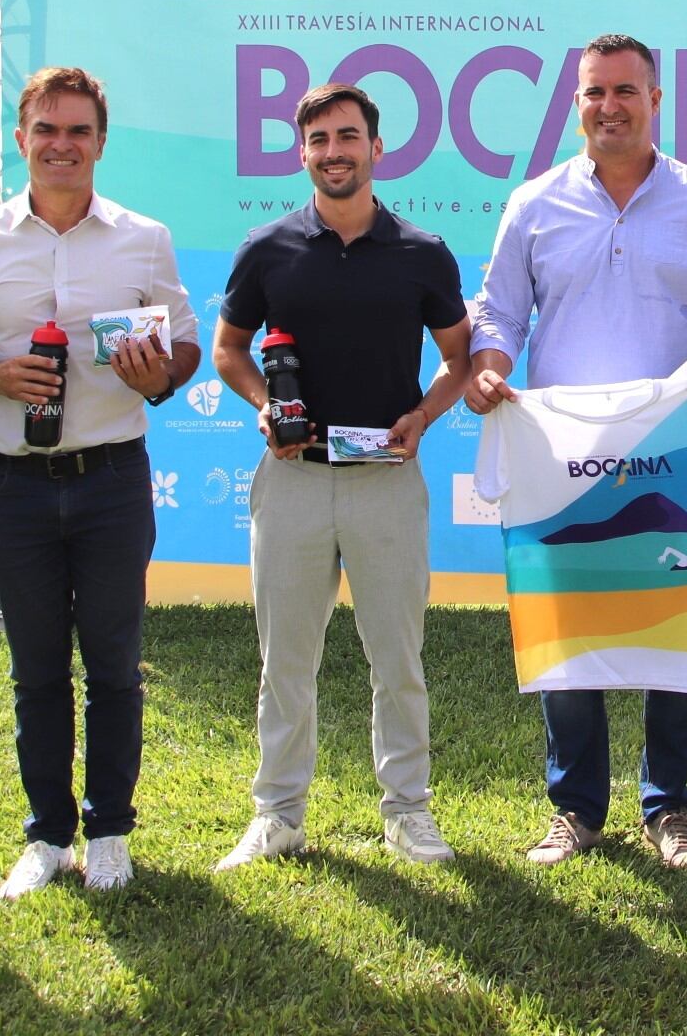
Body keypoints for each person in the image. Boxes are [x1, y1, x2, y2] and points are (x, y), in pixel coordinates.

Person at [465, 33, 687, 868]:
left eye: (626, 92)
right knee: (569, 635)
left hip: (671, 455)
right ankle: (576, 811)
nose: (610, 106)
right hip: (561, 461)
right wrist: (490, 369)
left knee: (676, 630)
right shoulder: (533, 203)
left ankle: (668, 807)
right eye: (595, 93)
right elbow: (498, 315)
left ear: (656, 99)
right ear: (576, 104)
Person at [0, 66, 199, 899]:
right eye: (46, 129)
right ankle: (48, 837)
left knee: (113, 664)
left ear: (101, 144)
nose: (62, 145)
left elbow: (183, 344)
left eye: (78, 131)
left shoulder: (143, 238)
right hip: (16, 484)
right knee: (34, 670)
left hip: (113, 477)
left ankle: (110, 829)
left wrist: (159, 375)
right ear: (22, 138)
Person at [208, 83, 472, 871]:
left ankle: (408, 814)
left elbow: (460, 361)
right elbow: (228, 349)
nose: (334, 152)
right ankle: (278, 814)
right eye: (319, 139)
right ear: (303, 152)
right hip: (292, 478)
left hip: (386, 478)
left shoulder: (422, 252)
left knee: (398, 659)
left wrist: (421, 418)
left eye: (348, 137)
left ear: (377, 148)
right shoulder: (267, 248)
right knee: (285, 660)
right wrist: (262, 405)